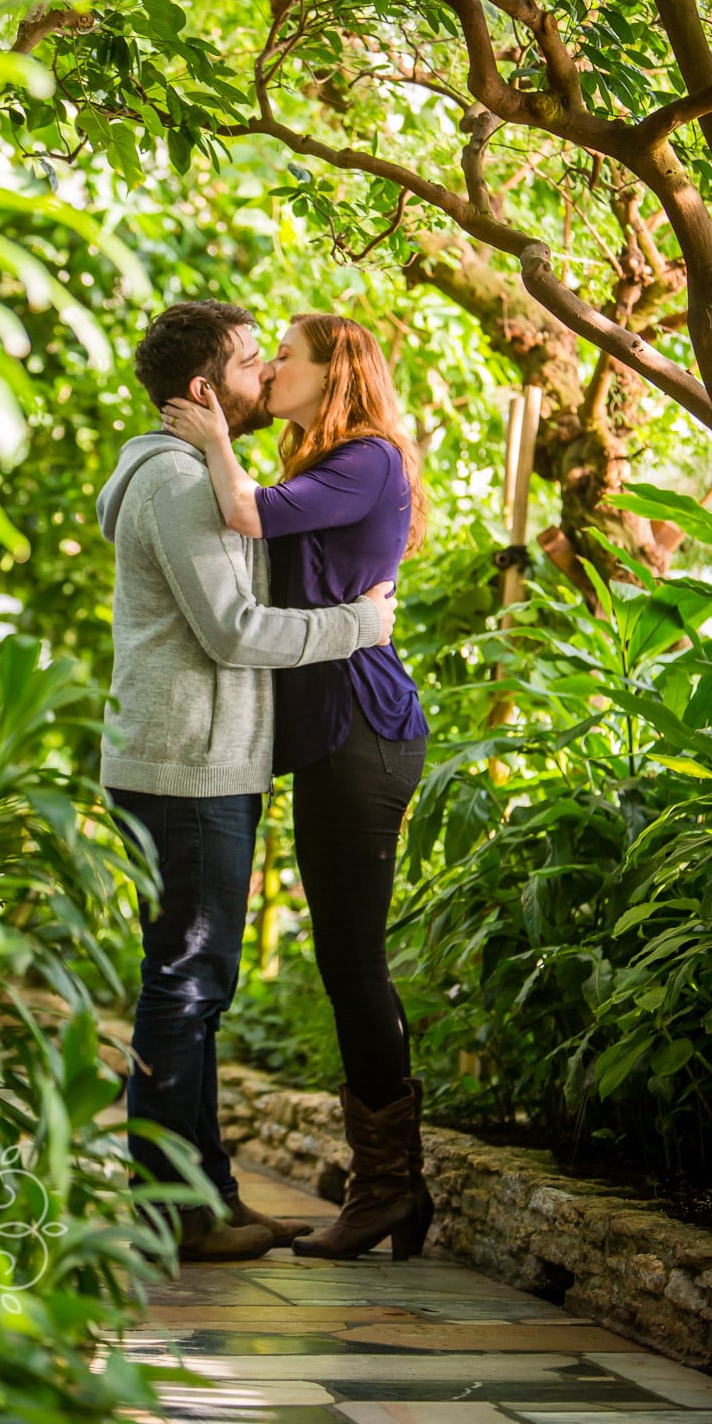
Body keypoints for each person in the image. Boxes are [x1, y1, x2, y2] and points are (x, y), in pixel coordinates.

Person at [97, 301, 398, 1262]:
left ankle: (207, 1197)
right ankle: (168, 1209)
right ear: (203, 393)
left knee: (198, 982)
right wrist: (357, 625)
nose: (263, 374)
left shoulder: (201, 470)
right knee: (186, 983)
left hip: (204, 755)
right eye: (246, 363)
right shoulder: (184, 482)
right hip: (189, 761)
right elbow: (231, 630)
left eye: (275, 359)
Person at [161, 312, 432, 1261]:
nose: (271, 368)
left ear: (335, 370)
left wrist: (209, 439)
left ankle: (388, 1188)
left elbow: (247, 516)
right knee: (346, 960)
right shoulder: (326, 459)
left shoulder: (369, 458)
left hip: (364, 730)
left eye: (287, 355)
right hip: (330, 738)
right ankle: (394, 1190)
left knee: (353, 962)